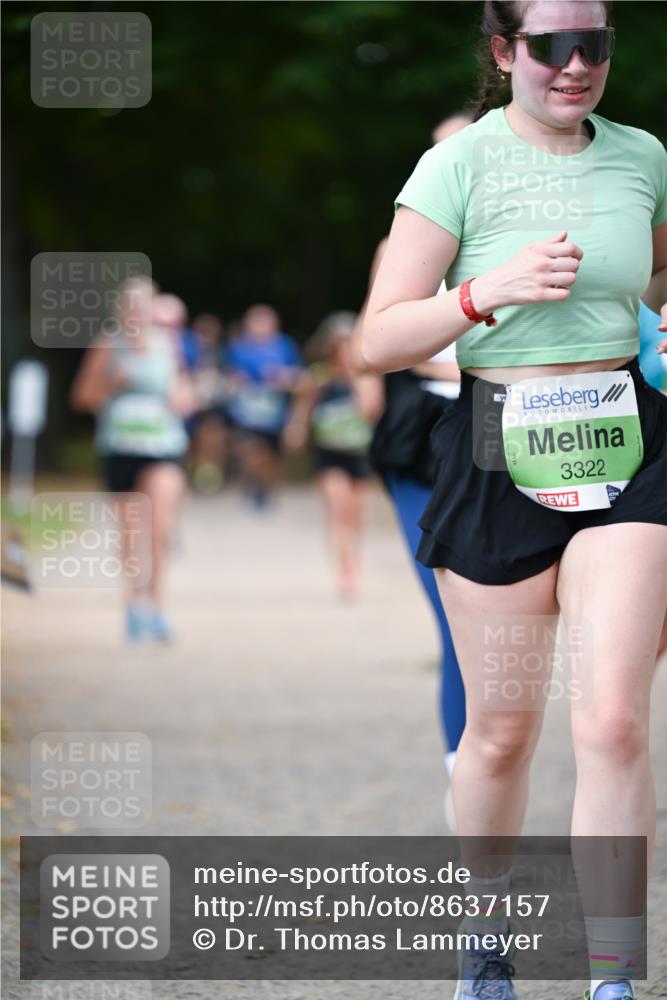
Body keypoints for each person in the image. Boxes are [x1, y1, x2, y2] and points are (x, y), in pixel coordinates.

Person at [361, 3, 667, 999]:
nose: (576, 65)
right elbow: (379, 338)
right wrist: (485, 291)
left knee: (613, 717)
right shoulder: (458, 166)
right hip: (496, 451)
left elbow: (656, 273)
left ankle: (613, 975)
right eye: (549, 46)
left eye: (596, 44)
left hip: (628, 444)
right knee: (500, 731)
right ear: (503, 52)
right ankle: (482, 936)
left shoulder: (640, 156)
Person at [354, 112, 471, 823]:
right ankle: (463, 771)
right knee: (454, 617)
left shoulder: (537, 240)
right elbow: (378, 342)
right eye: (440, 154)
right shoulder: (397, 246)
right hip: (426, 436)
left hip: (519, 427)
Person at [70, 279, 193, 642]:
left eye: (142, 305)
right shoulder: (108, 345)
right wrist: (111, 385)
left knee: (159, 529)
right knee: (131, 532)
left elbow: (181, 385)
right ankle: (133, 603)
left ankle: (157, 607)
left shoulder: (166, 344)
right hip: (120, 447)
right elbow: (81, 398)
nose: (136, 312)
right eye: (130, 305)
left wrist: (184, 396)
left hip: (163, 446)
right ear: (120, 309)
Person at [284, 312, 382, 598]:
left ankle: (354, 557)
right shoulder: (318, 377)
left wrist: (356, 379)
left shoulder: (367, 376)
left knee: (355, 514)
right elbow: (302, 409)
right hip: (329, 454)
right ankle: (345, 569)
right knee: (338, 510)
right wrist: (297, 428)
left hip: (360, 454)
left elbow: (371, 411)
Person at [226, 304, 303, 508]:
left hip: (275, 410)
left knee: (271, 454)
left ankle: (265, 487)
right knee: (251, 449)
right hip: (247, 411)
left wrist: (283, 377)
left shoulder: (285, 345)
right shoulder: (239, 347)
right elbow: (230, 376)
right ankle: (252, 483)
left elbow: (297, 376)